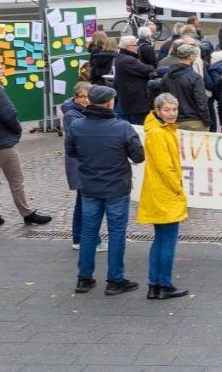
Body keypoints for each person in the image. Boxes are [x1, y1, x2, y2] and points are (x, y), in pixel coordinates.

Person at [66, 85, 145, 296]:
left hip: (90, 185)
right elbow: (138, 156)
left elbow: (71, 151)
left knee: (89, 232)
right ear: (110, 103)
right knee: (117, 233)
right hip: (116, 186)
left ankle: (84, 278)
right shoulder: (122, 127)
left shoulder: (77, 126)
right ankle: (115, 279)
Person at [0, 56, 51, 228]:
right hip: (2, 143)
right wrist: (17, 130)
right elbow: (9, 114)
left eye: (1, 68)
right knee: (16, 180)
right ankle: (27, 213)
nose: (1, 71)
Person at [138, 93, 190, 300]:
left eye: (174, 110)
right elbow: (165, 167)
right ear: (158, 111)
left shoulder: (160, 130)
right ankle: (163, 284)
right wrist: (178, 189)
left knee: (161, 240)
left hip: (160, 191)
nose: (172, 114)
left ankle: (155, 284)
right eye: (167, 110)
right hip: (165, 193)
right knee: (167, 240)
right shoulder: (158, 133)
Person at [61, 82, 107, 252]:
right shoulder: (72, 115)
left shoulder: (83, 112)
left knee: (82, 202)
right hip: (81, 164)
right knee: (88, 202)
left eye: (89, 97)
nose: (86, 100)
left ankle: (79, 238)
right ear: (76, 97)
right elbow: (85, 135)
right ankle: (90, 239)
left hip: (85, 162)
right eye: (82, 97)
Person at [159, 44, 211, 132]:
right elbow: (201, 101)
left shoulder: (166, 77)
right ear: (190, 57)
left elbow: (163, 98)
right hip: (194, 122)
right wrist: (207, 120)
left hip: (173, 121)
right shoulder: (195, 77)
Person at [113, 35, 156, 125]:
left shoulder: (121, 58)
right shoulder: (128, 60)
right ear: (128, 46)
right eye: (135, 45)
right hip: (135, 102)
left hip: (130, 99)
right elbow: (147, 69)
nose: (137, 47)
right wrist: (151, 69)